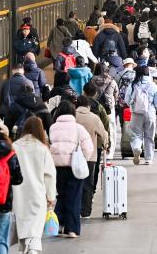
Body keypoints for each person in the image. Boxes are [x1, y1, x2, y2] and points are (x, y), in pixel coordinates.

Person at [12, 117, 57, 254]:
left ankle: (23, 248)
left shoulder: (15, 146)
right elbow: (49, 174)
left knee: (22, 222)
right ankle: (32, 249)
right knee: (35, 226)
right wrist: (51, 196)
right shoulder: (42, 149)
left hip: (18, 193)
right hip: (38, 193)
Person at [49, 101, 93, 238]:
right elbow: (88, 148)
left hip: (57, 167)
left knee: (61, 195)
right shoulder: (78, 128)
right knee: (74, 197)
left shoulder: (53, 128)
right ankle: (72, 229)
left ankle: (58, 226)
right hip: (74, 167)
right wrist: (82, 159)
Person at [75, 96, 109, 218]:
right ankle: (85, 211)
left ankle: (75, 208)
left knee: (75, 183)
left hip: (73, 156)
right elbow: (104, 134)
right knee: (88, 184)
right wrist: (106, 144)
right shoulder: (94, 118)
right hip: (90, 155)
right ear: (88, 106)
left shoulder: (72, 116)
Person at [124, 66, 157, 166]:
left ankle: (137, 148)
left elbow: (127, 100)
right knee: (149, 136)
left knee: (136, 134)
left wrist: (133, 106)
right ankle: (148, 159)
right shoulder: (153, 85)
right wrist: (152, 106)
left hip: (136, 113)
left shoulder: (133, 85)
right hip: (150, 113)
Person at [91, 62, 119, 160]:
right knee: (111, 130)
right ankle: (109, 153)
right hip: (109, 109)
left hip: (95, 108)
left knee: (96, 129)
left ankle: (97, 151)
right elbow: (116, 94)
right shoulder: (112, 81)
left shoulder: (92, 81)